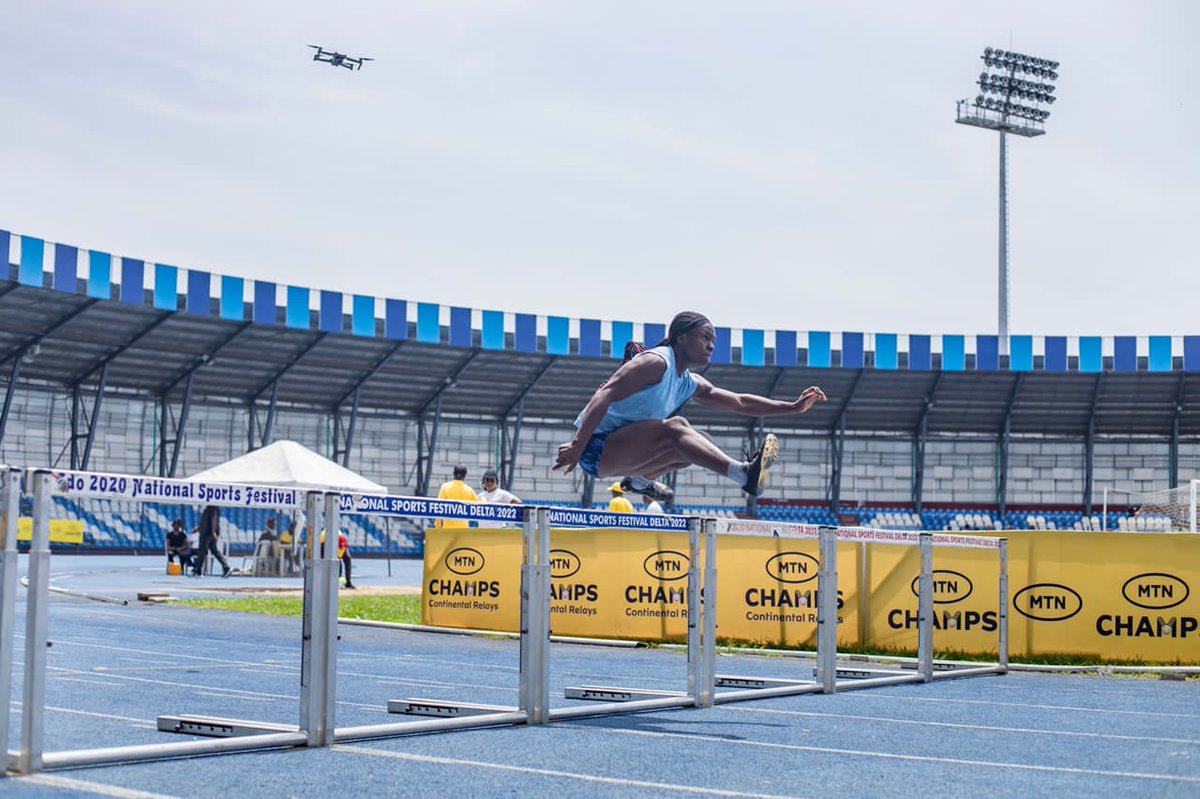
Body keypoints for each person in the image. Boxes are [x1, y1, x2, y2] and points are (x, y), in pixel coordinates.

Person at [554, 311, 827, 497]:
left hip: (622, 451)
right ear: (682, 337)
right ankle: (743, 475)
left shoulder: (688, 381)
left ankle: (639, 482)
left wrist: (793, 407)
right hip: (594, 448)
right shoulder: (656, 362)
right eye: (705, 338)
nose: (711, 346)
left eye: (713, 341)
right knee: (677, 428)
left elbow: (740, 402)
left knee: (700, 441)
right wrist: (578, 445)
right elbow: (604, 395)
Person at [192, 504, 231, 577]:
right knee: (215, 551)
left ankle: (198, 570)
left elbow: (214, 519)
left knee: (201, 551)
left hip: (207, 534)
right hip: (207, 533)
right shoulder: (208, 509)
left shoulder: (212, 508)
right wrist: (197, 529)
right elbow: (205, 522)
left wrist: (213, 531)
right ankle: (226, 567)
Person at [436, 465, 479, 529]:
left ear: (454, 474)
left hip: (448, 528)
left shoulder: (445, 487)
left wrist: (438, 526)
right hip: (463, 529)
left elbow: (438, 507)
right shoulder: (469, 490)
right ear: (464, 476)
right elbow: (479, 505)